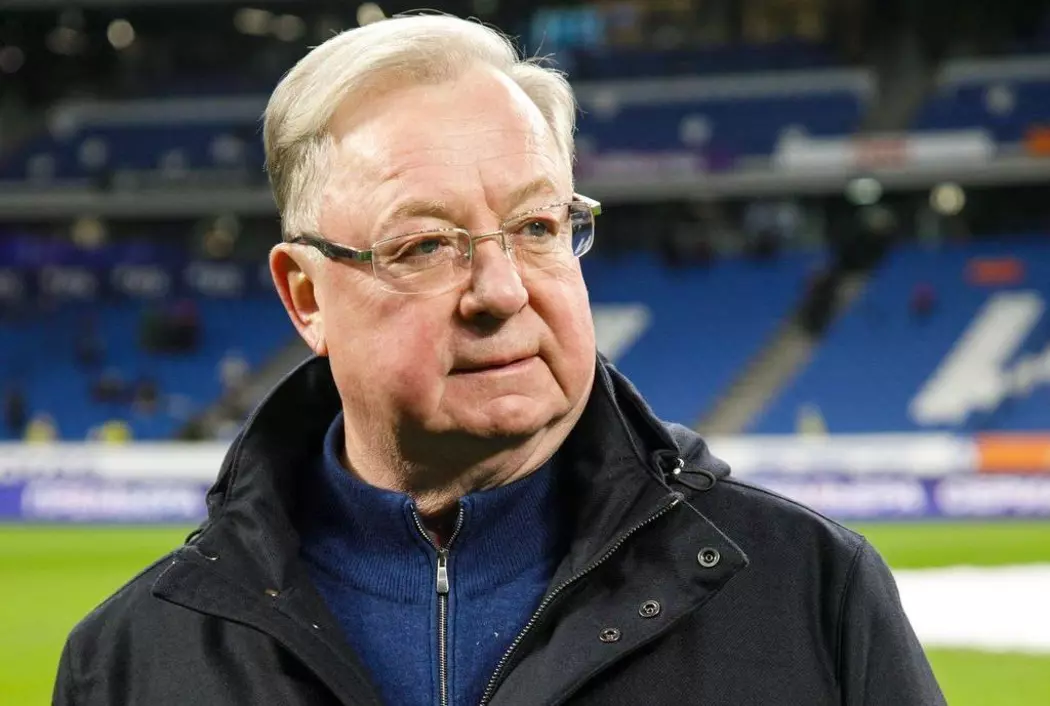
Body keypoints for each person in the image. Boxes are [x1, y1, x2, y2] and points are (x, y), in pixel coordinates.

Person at [54, 14, 945, 706]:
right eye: (425, 245)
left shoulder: (811, 592)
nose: (502, 290)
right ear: (307, 297)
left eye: (537, 227)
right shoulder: (128, 661)